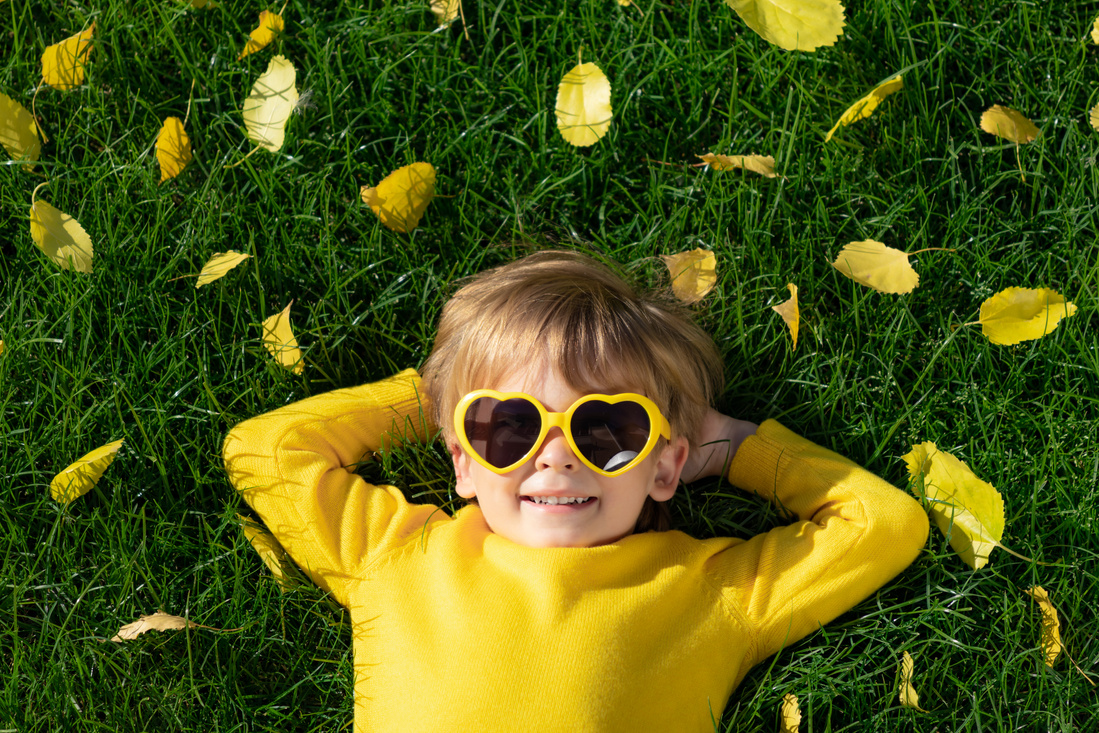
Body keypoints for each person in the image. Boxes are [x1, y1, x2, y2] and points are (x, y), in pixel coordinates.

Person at [222, 251, 929, 732]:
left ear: (664, 467)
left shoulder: (709, 589)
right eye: (508, 426)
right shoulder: (396, 554)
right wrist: (432, 395)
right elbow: (263, 449)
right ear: (461, 462)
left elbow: (883, 523)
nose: (555, 457)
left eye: (606, 428)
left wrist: (738, 447)